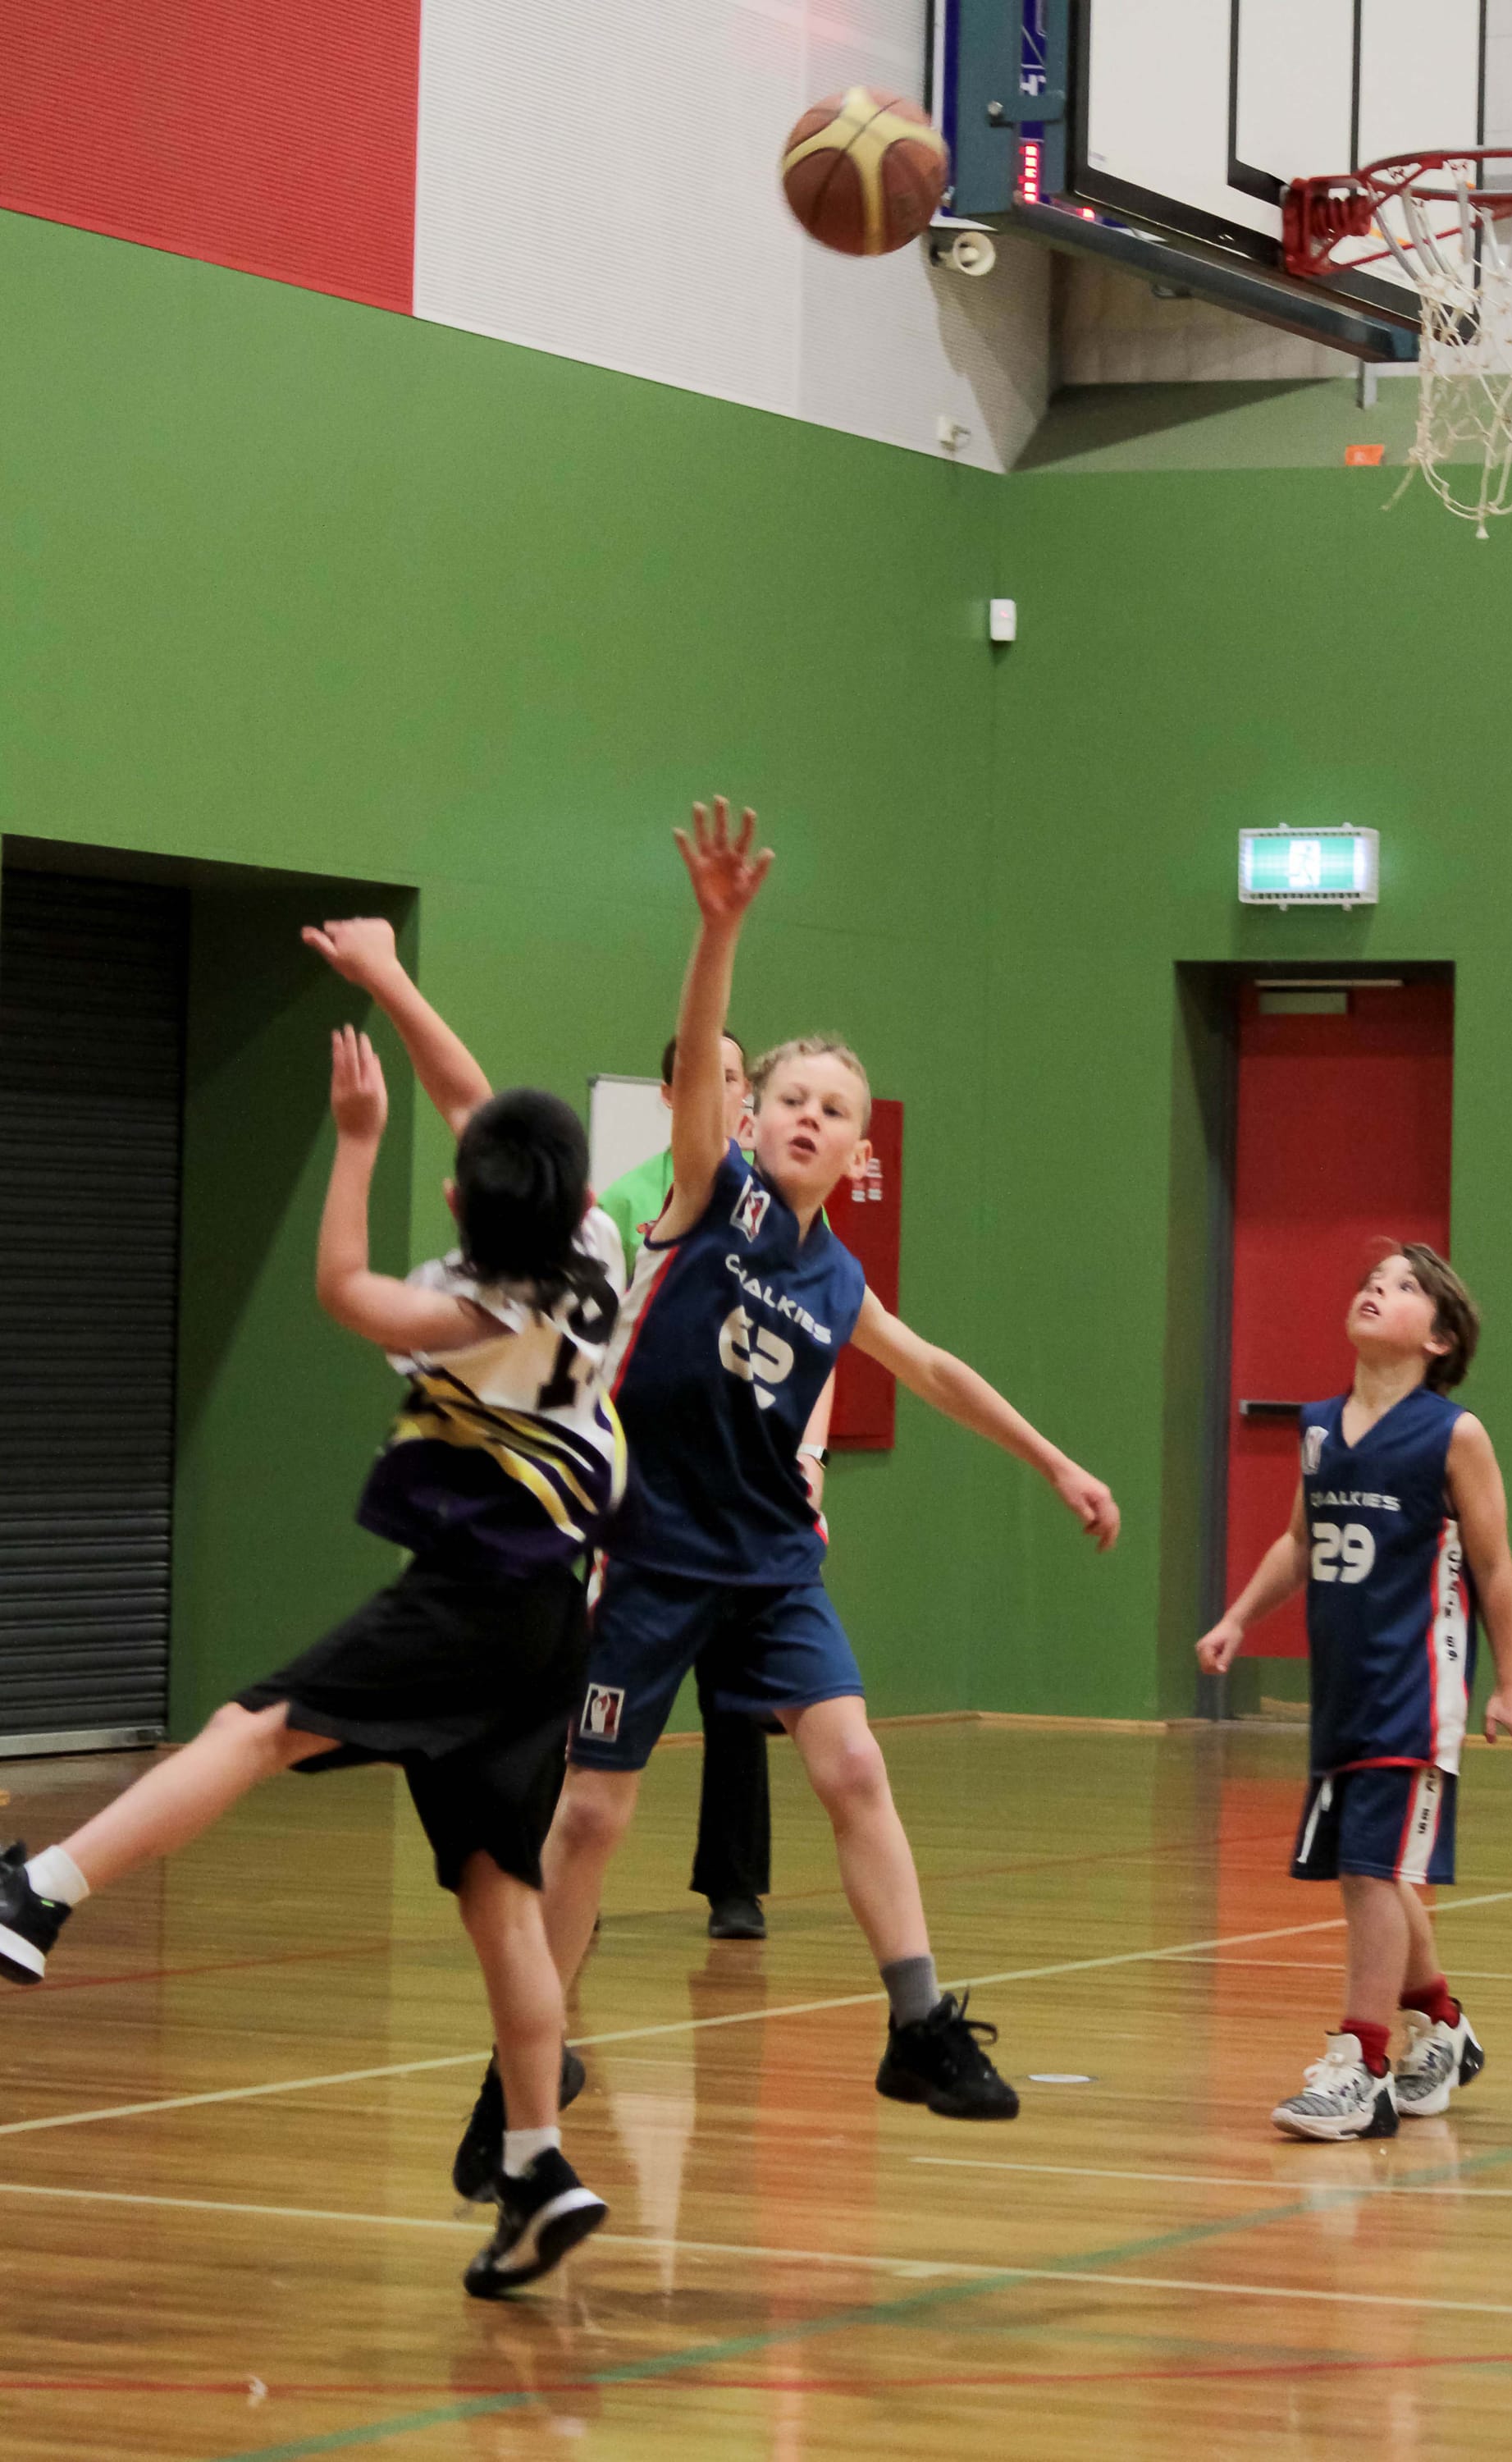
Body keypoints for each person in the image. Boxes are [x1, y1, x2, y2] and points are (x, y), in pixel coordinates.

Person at [455, 795, 1120, 2188]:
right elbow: (697, 1057)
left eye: (836, 1110)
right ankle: (524, 2063)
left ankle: (919, 2021)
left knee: (855, 1763)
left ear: (858, 1149)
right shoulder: (711, 1199)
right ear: (749, 1118)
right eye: (790, 1099)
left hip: (770, 1561)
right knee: (592, 1817)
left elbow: (931, 1369)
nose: (810, 1118)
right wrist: (720, 931)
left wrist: (1054, 1459)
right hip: (653, 1552)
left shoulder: (836, 1275)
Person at [0, 977, 624, 2300]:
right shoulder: (600, 1260)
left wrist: (352, 1139)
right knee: (497, 1899)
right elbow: (481, 1106)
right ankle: (537, 2167)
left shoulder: (458, 1315)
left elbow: (345, 1286)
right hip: (552, 1622)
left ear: (461, 1204)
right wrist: (395, 984)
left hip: (466, 1598)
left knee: (258, 1726)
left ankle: (37, 1893)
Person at [1196, 1244, 1512, 2143]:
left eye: (1400, 1288)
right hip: (1342, 1689)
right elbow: (1298, 1542)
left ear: (1437, 1337)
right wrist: (1236, 1618)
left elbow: (1495, 1568)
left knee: (1366, 1872)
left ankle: (1363, 2065)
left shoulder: (1452, 1435)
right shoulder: (1319, 1427)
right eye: (1371, 1281)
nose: (1373, 1291)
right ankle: (1445, 2025)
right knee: (1374, 1871)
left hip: (1417, 1689)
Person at [602, 1031, 834, 1942]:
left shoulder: (785, 1211)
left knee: (739, 1700)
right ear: (672, 1091)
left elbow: (829, 1343)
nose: (729, 1091)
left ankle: (732, 1884)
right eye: (713, 1075)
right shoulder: (631, 1200)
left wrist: (808, 1463)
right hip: (640, 1491)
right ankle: (560, 1876)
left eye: (741, 1078)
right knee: (595, 1698)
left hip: (741, 1497)